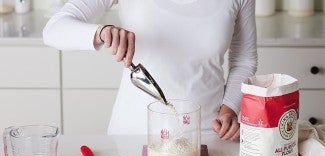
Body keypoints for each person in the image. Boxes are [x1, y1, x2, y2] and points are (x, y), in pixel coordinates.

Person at [43, 0, 257, 141]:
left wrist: (229, 108)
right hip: (133, 138)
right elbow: (54, 29)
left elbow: (244, 60)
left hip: (208, 138)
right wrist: (101, 32)